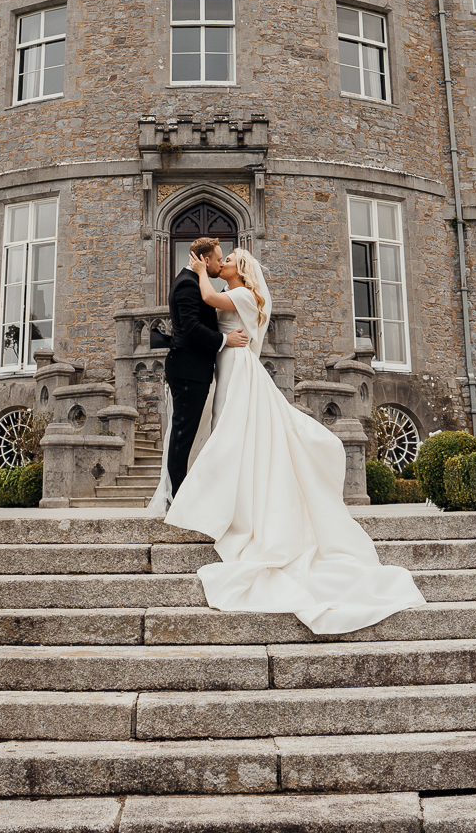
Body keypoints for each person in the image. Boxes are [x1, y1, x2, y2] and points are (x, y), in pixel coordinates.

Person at [165, 247, 426, 634]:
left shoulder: (240, 294)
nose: (225, 264)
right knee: (227, 433)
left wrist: (200, 268)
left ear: (244, 270)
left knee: (232, 435)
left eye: (231, 260)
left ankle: (215, 502)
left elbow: (207, 298)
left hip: (236, 367)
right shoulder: (236, 292)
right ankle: (217, 498)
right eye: (224, 258)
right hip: (225, 364)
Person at [161, 237, 248, 499]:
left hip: (193, 369)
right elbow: (190, 327)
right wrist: (225, 339)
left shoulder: (194, 281)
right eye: (219, 259)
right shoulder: (187, 284)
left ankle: (180, 493)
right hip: (187, 369)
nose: (220, 264)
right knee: (183, 433)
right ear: (205, 260)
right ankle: (176, 496)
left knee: (186, 432)